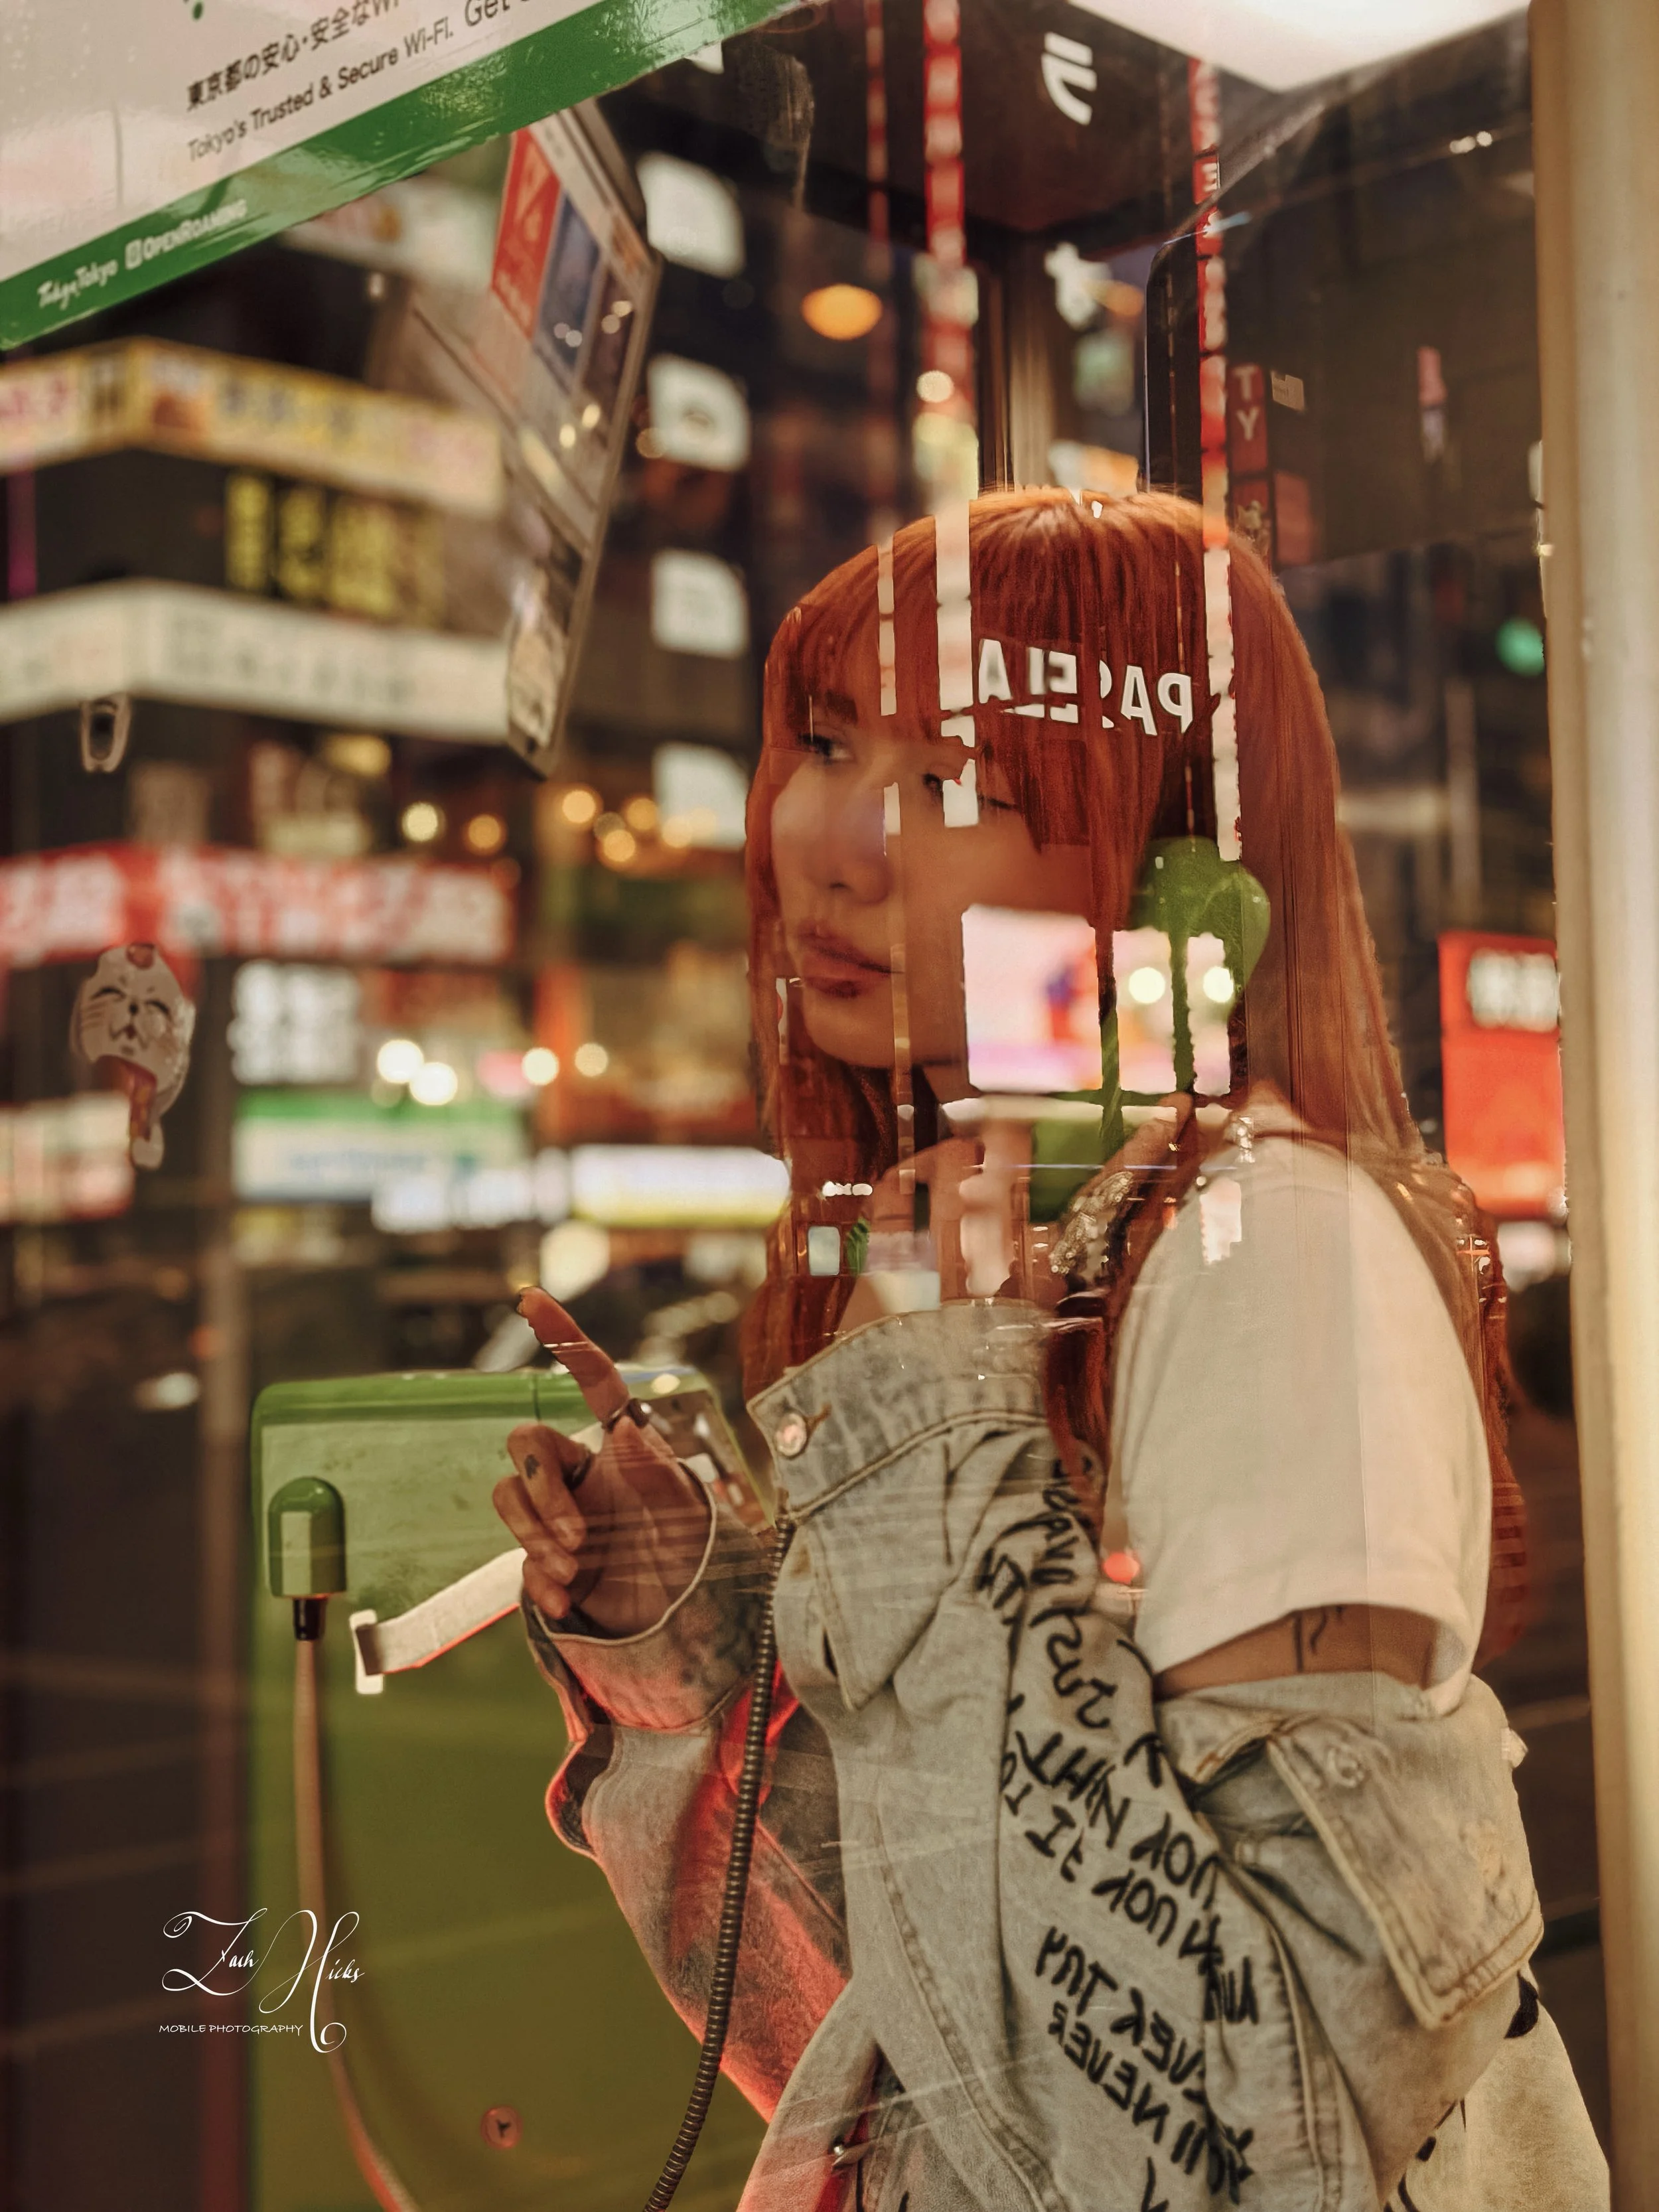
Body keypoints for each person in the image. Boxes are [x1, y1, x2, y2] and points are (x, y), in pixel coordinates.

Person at [492, 490, 1606, 2209]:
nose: (829, 842)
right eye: (825, 744)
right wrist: (689, 1650)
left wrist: (937, 1438)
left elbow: (1230, 2141)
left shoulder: (1266, 1260)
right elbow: (913, 2015)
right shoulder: (1019, 1279)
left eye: (956, 785)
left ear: (1173, 885)